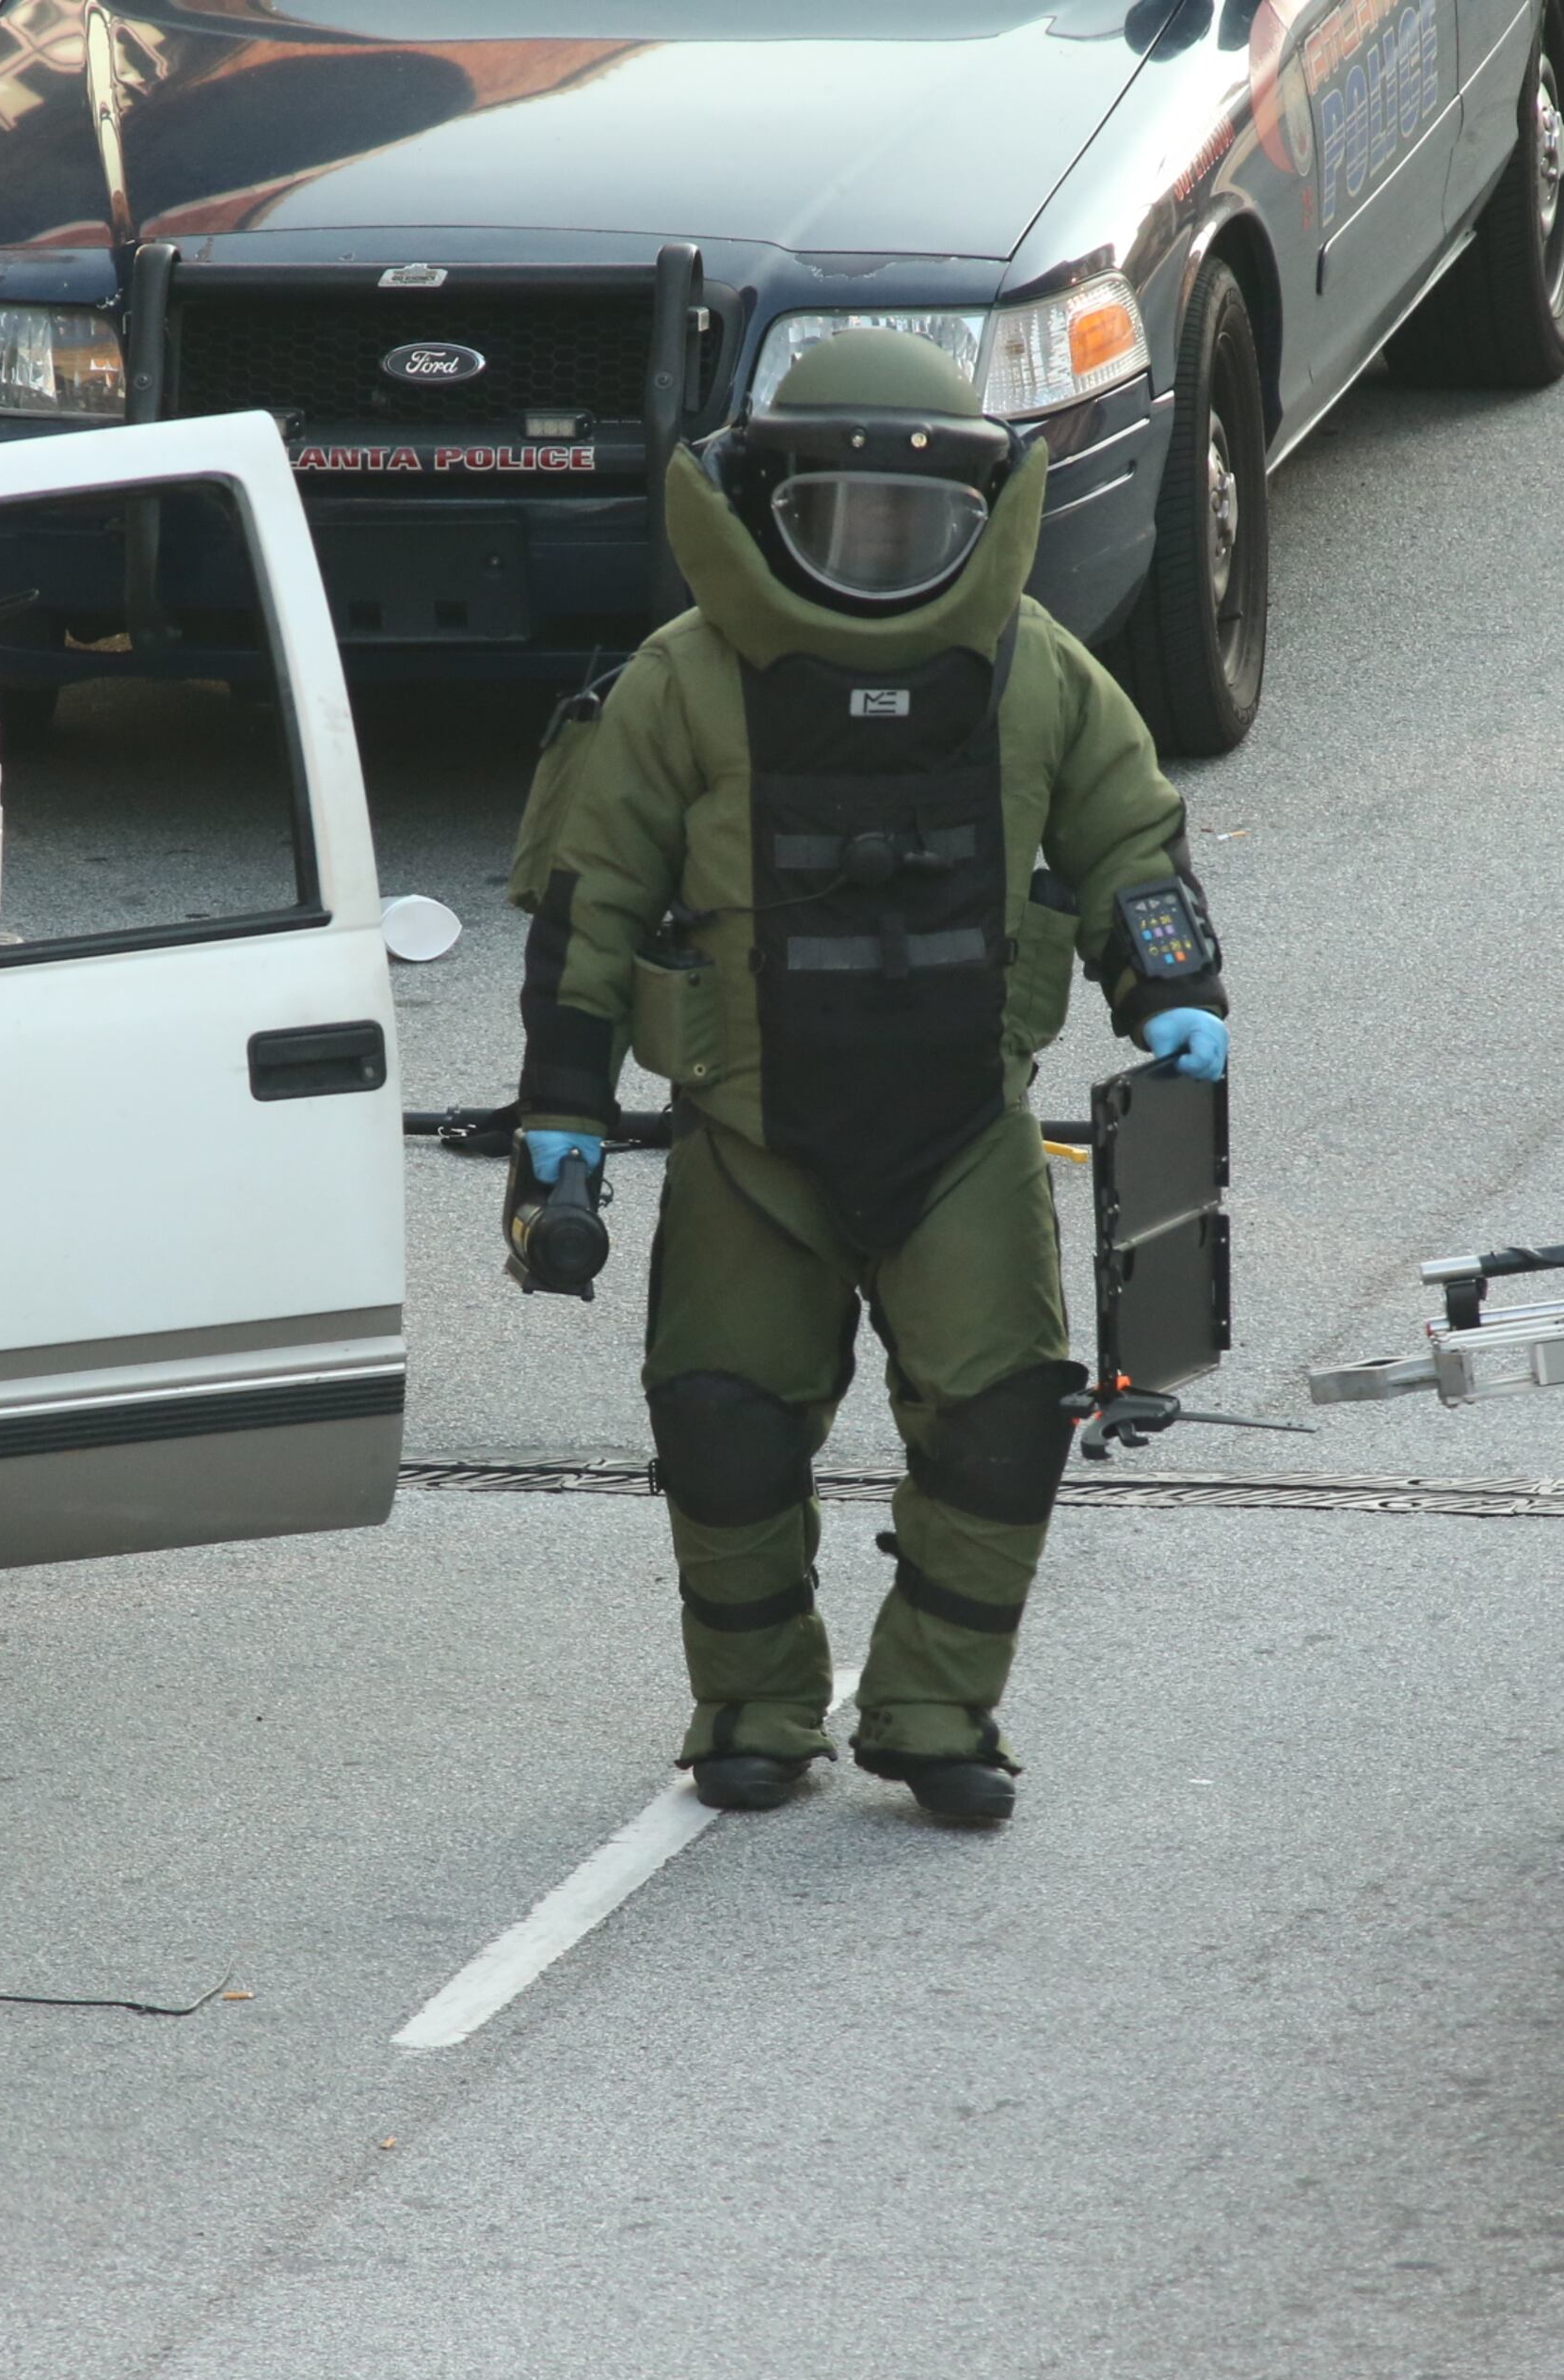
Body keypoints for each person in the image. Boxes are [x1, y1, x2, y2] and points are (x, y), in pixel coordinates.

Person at [505, 328, 1230, 1825]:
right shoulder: (684, 684)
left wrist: (1174, 990)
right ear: (769, 506)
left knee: (1006, 1416)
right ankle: (753, 1712)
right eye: (842, 520)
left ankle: (936, 1709)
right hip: (748, 1140)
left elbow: (1129, 843)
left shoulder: (1039, 676)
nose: (880, 555)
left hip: (962, 1131)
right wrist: (559, 1130)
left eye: (917, 527)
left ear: (979, 513)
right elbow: (590, 915)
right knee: (721, 1426)